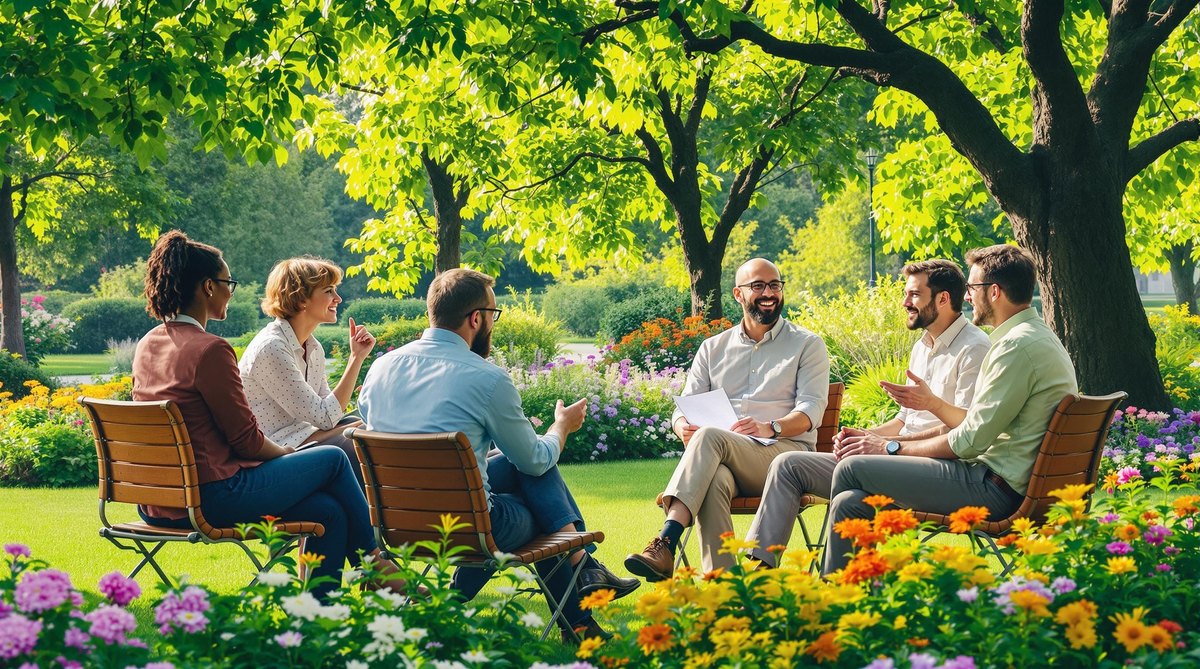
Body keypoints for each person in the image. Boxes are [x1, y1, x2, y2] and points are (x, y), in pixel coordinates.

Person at [357, 268, 636, 643]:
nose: (493, 323)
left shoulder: (380, 368)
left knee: (522, 471)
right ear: (477, 319)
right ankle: (580, 599)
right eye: (493, 315)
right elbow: (535, 460)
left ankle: (582, 579)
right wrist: (562, 426)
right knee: (538, 492)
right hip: (469, 528)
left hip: (398, 524)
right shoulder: (486, 379)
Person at [132, 231, 402, 599]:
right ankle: (374, 561)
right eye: (229, 282)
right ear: (208, 287)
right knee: (334, 458)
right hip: (213, 497)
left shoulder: (149, 342)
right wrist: (293, 458)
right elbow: (246, 441)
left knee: (328, 510)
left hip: (159, 501)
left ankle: (316, 615)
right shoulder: (210, 350)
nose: (233, 290)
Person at [821, 244, 1077, 575]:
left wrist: (890, 448)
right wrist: (916, 421)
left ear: (994, 292)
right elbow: (973, 424)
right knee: (848, 503)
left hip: (995, 490)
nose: (967, 297)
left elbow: (969, 442)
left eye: (972, 288)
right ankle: (857, 590)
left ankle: (832, 598)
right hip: (1008, 483)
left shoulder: (1015, 347)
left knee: (851, 468)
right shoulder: (1035, 336)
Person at [743, 259, 991, 567]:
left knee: (849, 483)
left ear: (943, 299)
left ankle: (843, 579)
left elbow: (963, 428)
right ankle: (761, 568)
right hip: (895, 457)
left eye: (914, 295)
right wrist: (865, 436)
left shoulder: (974, 348)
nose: (905, 302)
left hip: (935, 467)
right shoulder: (922, 347)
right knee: (788, 464)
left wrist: (884, 448)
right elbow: (904, 421)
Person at [624, 258, 830, 580]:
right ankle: (725, 588)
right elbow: (683, 408)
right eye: (758, 286)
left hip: (785, 457)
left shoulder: (807, 345)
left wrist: (771, 427)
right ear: (738, 294)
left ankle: (666, 539)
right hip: (726, 457)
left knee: (709, 438)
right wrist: (682, 428)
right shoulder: (712, 348)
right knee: (714, 478)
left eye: (775, 285)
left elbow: (812, 411)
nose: (769, 293)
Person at [239, 257, 375, 485]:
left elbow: (330, 415)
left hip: (303, 439)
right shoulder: (271, 348)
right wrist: (355, 359)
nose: (338, 298)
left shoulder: (313, 348)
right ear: (301, 299)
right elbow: (324, 417)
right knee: (362, 436)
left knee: (365, 427)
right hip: (275, 453)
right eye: (329, 291)